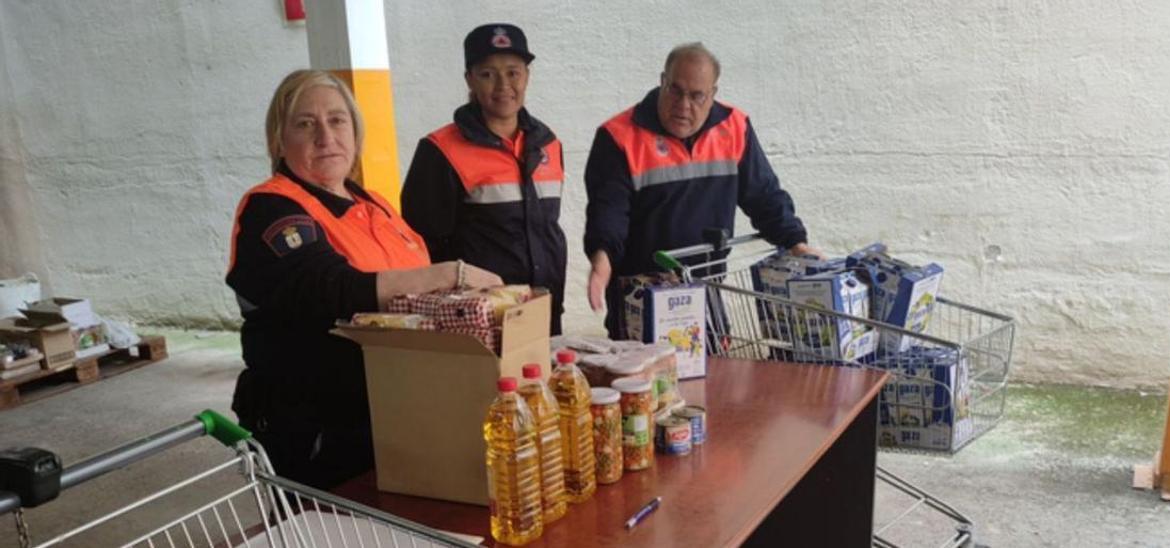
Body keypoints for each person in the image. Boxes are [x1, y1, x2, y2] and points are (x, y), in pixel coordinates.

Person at [227, 70, 502, 489]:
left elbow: (412, 297)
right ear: (279, 140)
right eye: (305, 123)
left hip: (398, 414)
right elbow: (330, 289)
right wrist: (451, 273)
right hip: (321, 428)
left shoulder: (372, 204)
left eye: (337, 120)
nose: (326, 136)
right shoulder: (272, 208)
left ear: (355, 132)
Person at [583, 42, 819, 338]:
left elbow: (764, 195)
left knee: (716, 373)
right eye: (675, 90)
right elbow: (609, 211)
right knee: (650, 381)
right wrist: (601, 262)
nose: (683, 105)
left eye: (696, 96)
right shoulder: (618, 136)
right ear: (662, 81)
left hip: (708, 288)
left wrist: (796, 242)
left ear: (713, 95)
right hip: (640, 296)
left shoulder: (735, 127)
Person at [401, 23, 568, 335]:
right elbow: (423, 246)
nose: (503, 85)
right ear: (470, 80)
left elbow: (546, 229)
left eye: (513, 72)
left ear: (527, 76)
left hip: (544, 306)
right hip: (478, 320)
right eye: (488, 74)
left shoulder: (549, 144)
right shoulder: (440, 150)